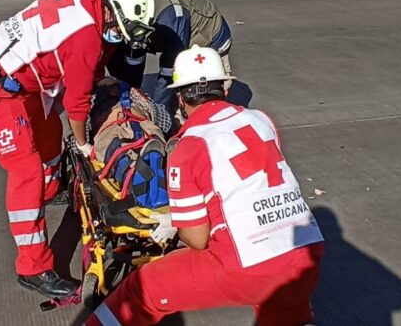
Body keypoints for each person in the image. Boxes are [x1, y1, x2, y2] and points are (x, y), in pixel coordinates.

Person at [87, 46, 325, 326]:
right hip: (307, 253)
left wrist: (177, 222)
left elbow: (197, 239)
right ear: (224, 89)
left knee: (143, 290)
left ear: (180, 98)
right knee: (284, 313)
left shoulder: (188, 147)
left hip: (248, 264)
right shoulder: (261, 120)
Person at [0, 0, 154, 298]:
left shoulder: (83, 0)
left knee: (49, 136)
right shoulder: (86, 38)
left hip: (20, 84)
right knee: (26, 170)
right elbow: (77, 105)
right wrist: (84, 146)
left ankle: (49, 192)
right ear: (110, 15)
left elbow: (64, 56)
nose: (120, 38)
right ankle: (33, 268)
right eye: (121, 30)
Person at [108, 0, 233, 114]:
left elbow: (168, 72)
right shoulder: (133, 7)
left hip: (211, 39)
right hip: (176, 29)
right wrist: (131, 94)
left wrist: (158, 112)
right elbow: (135, 60)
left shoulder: (172, 18)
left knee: (198, 102)